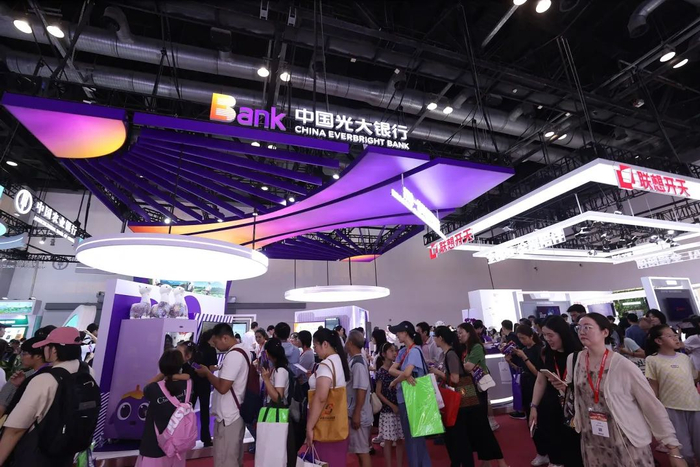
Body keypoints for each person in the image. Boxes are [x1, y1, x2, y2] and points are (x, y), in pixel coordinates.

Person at [558, 313, 685, 467]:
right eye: (579, 327)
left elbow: (651, 405)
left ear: (605, 332)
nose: (582, 331)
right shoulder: (574, 359)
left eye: (588, 327)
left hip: (625, 438)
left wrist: (672, 447)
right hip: (592, 438)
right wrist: (563, 388)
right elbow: (576, 393)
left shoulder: (623, 365)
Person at [0, 327, 95, 467]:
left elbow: (15, 429)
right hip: (67, 451)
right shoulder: (88, 372)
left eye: (46, 346)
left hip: (36, 454)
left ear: (54, 350)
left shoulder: (45, 379)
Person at [529, 316, 584, 467]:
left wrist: (567, 388)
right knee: (555, 446)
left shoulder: (578, 354)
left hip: (574, 409)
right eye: (544, 335)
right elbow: (540, 380)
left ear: (562, 333)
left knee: (575, 450)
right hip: (552, 408)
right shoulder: (546, 353)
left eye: (551, 335)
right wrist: (533, 406)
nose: (547, 339)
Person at [194, 323, 249, 467]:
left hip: (229, 416)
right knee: (232, 457)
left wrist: (207, 373)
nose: (215, 345)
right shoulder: (243, 350)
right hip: (234, 412)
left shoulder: (234, 355)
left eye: (216, 341)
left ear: (225, 338)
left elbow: (223, 387)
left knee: (225, 459)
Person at [646, 324, 700, 464]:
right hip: (671, 408)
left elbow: (693, 379)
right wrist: (654, 410)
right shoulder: (652, 360)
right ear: (659, 341)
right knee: (684, 451)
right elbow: (653, 386)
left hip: (695, 406)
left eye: (676, 335)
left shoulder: (684, 358)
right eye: (670, 336)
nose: (676, 338)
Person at [458, 323, 508, 467]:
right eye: (458, 333)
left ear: (469, 333)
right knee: (477, 427)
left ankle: (500, 462)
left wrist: (460, 365)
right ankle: (487, 461)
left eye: (461, 332)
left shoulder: (476, 347)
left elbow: (468, 366)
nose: (459, 336)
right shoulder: (466, 348)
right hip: (468, 387)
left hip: (477, 388)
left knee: (482, 425)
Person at [137, 348, 193, 467]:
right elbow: (187, 376)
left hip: (154, 445)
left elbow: (146, 387)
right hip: (177, 445)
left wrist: (165, 374)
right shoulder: (188, 384)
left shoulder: (154, 389)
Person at [387, 321, 431, 467]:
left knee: (415, 438)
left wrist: (396, 381)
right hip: (406, 398)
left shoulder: (415, 351)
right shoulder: (403, 352)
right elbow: (393, 370)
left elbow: (406, 372)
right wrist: (405, 376)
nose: (397, 336)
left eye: (398, 333)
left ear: (405, 333)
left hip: (414, 398)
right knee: (411, 437)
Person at [430, 326, 474, 467]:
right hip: (455, 400)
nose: (433, 339)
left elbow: (455, 379)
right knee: (454, 437)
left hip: (458, 401)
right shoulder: (446, 354)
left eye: (435, 336)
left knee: (459, 437)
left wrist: (438, 372)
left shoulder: (450, 354)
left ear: (441, 338)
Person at [305, 328, 350, 467]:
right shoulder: (338, 360)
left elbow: (320, 398)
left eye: (315, 345)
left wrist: (309, 427)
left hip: (323, 422)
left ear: (325, 344)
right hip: (337, 422)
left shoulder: (326, 365)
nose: (315, 349)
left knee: (322, 461)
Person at [511, 325, 547, 465]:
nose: (521, 341)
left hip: (536, 387)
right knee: (531, 422)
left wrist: (524, 357)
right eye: (519, 338)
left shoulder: (539, 350)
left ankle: (546, 451)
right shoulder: (524, 350)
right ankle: (541, 451)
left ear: (531, 336)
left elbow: (537, 373)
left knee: (541, 421)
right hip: (526, 386)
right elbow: (521, 369)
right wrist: (510, 361)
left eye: (523, 338)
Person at [261, 338, 296, 467]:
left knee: (279, 448)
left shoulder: (280, 371)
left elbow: (278, 397)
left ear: (269, 353)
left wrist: (266, 380)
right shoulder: (277, 369)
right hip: (277, 412)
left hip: (278, 413)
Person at [345, 330, 373, 467]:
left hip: (359, 414)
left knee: (362, 451)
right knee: (359, 451)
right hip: (357, 412)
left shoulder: (358, 363)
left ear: (350, 343)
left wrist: (356, 414)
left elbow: (361, 389)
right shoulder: (356, 360)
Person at [0, 337, 46, 418]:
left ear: (38, 356)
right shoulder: (25, 375)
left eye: (24, 353)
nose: (21, 357)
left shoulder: (34, 377)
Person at [375, 343, 404, 467]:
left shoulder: (396, 369)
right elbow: (378, 392)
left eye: (395, 350)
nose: (394, 353)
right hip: (388, 410)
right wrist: (391, 405)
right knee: (388, 440)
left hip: (399, 407)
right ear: (383, 354)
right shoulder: (381, 372)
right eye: (391, 351)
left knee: (400, 439)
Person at [192, 330, 217, 447]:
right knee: (204, 410)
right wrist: (219, 368)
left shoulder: (196, 348)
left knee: (187, 409)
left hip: (193, 381)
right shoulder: (211, 350)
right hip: (204, 381)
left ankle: (183, 435)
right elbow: (211, 368)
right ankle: (206, 438)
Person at [500, 320, 525, 420]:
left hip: (516, 365)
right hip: (518, 364)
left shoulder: (511, 338)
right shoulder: (514, 336)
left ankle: (520, 410)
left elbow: (509, 351)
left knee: (517, 386)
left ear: (503, 327)